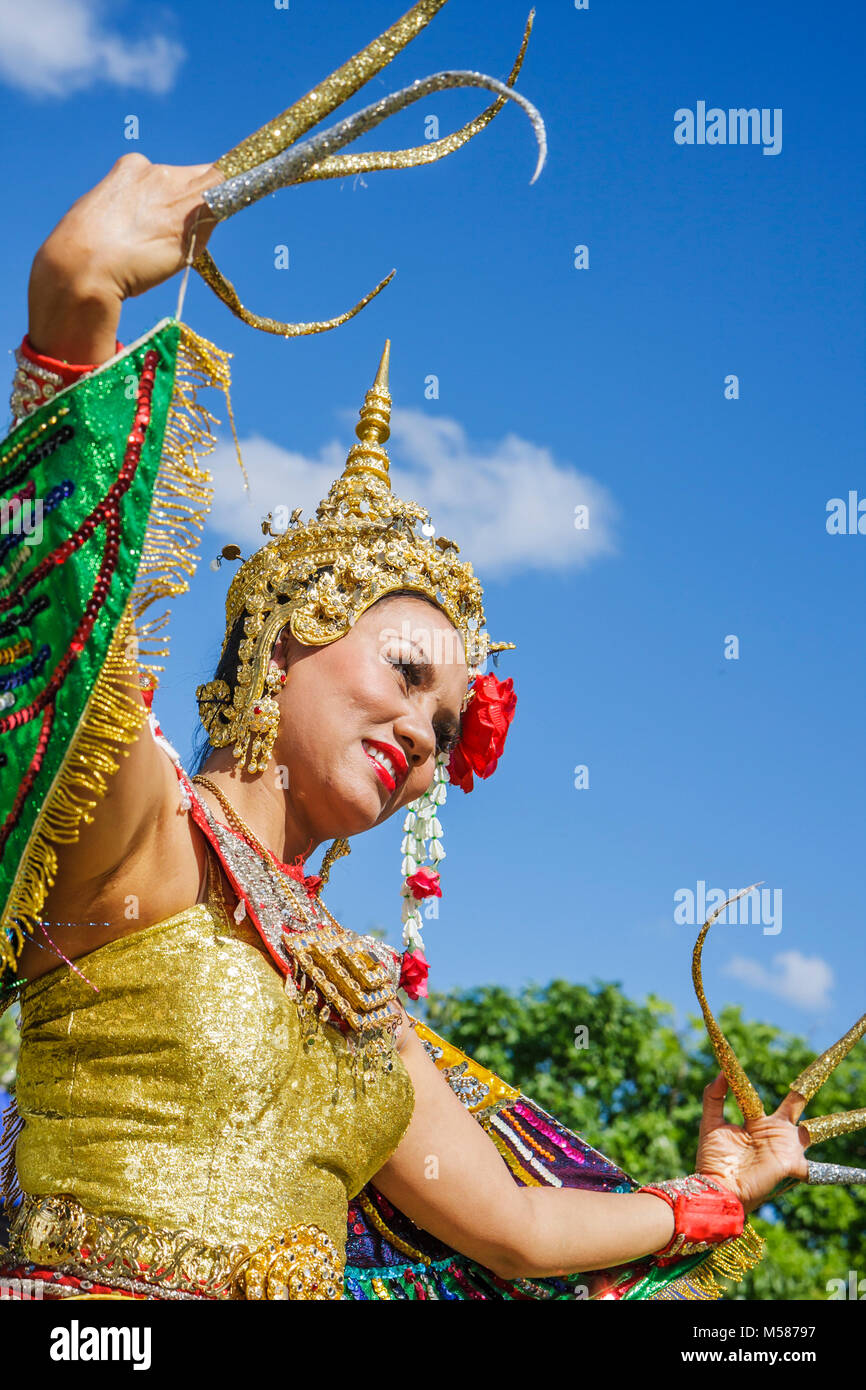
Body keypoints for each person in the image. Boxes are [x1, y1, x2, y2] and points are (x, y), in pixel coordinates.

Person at [0, 3, 861, 1305]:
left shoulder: (353, 1002)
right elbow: (63, 624)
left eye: (455, 724)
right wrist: (72, 313)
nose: (429, 739)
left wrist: (715, 1193)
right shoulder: (147, 838)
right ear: (278, 646)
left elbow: (519, 1229)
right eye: (408, 673)